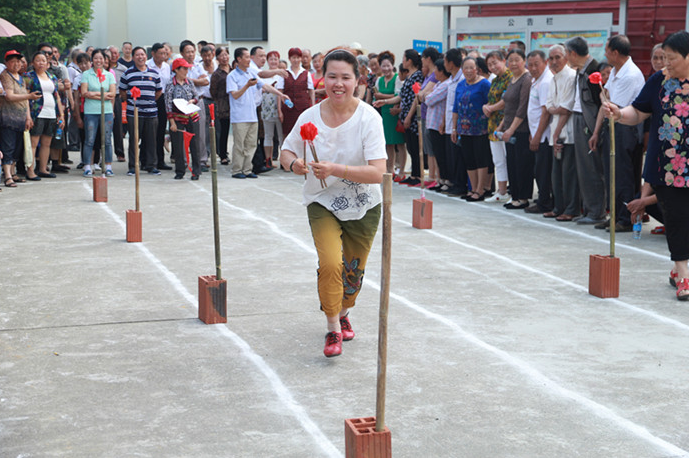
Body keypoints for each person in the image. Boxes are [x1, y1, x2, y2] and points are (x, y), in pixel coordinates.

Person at [279, 49, 386, 357]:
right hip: (322, 200)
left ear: (357, 81)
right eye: (332, 77)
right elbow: (286, 152)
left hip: (364, 204)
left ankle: (343, 311)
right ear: (321, 78)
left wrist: (335, 169)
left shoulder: (369, 118)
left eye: (345, 78)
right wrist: (294, 164)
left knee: (353, 271)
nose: (338, 84)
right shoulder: (308, 117)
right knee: (330, 263)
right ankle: (332, 329)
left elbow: (379, 173)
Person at [603, 31, 689, 300]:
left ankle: (678, 269)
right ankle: (684, 274)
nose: (667, 64)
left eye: (672, 58)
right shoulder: (659, 81)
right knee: (677, 220)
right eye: (665, 58)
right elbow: (638, 111)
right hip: (667, 168)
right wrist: (619, 113)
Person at [590, 35, 645, 232]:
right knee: (611, 172)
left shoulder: (630, 74)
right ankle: (613, 215)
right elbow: (605, 98)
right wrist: (596, 132)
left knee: (622, 173)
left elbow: (614, 104)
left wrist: (604, 97)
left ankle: (625, 217)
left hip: (625, 125)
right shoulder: (615, 71)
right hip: (612, 123)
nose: (604, 54)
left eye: (606, 50)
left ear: (615, 52)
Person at [226, 47, 287, 179]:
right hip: (239, 117)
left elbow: (264, 85)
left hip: (252, 115)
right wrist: (247, 86)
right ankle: (237, 170)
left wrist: (280, 94)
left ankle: (247, 170)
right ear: (239, 59)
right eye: (247, 57)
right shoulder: (232, 76)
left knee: (251, 144)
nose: (249, 60)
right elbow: (235, 95)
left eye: (249, 57)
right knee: (239, 145)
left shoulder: (251, 73)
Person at [565, 36, 605, 224]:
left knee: (591, 168)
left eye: (566, 54)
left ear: (573, 53)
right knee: (583, 168)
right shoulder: (580, 70)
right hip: (579, 120)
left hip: (589, 124)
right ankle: (589, 209)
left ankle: (596, 211)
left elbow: (601, 104)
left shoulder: (594, 71)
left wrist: (596, 131)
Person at [545, 44, 580, 221]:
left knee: (569, 174)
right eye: (551, 58)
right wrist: (555, 110)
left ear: (566, 58)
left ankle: (571, 208)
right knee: (556, 174)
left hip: (568, 133)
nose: (554, 61)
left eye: (557, 57)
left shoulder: (571, 77)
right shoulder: (553, 79)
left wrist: (557, 133)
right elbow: (550, 105)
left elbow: (566, 108)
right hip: (555, 132)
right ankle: (558, 207)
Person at [451, 57, 491, 201]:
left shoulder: (484, 84)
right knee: (469, 160)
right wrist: (454, 128)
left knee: (481, 159)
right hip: (464, 129)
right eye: (465, 68)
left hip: (480, 128)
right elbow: (455, 108)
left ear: (477, 69)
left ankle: (480, 189)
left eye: (471, 68)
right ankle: (473, 188)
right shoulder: (460, 85)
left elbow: (491, 103)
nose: (468, 71)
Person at [497, 49, 532, 209]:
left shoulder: (526, 79)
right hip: (509, 128)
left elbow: (522, 108)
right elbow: (509, 106)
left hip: (521, 129)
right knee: (511, 162)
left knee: (522, 164)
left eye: (516, 60)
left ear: (524, 60)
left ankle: (523, 198)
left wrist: (511, 129)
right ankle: (515, 195)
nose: (513, 63)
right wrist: (502, 126)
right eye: (510, 60)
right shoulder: (512, 78)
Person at [119, 46, 162, 175]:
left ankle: (151, 165)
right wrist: (132, 101)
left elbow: (158, 91)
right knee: (134, 140)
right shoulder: (128, 73)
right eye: (137, 55)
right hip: (134, 113)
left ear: (146, 56)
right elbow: (122, 91)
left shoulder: (154, 73)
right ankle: (133, 166)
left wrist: (149, 101)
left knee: (151, 140)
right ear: (133, 57)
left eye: (142, 54)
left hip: (151, 112)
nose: (140, 57)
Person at [0, 50, 40, 187]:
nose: (16, 64)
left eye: (18, 61)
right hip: (8, 117)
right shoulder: (5, 76)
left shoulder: (21, 77)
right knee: (8, 146)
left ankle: (13, 172)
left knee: (17, 147)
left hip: (21, 118)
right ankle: (7, 176)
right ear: (6, 63)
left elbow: (26, 101)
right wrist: (29, 97)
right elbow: (9, 96)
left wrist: (28, 117)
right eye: (13, 61)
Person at [25, 50, 65, 180]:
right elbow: (26, 97)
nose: (41, 63)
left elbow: (57, 96)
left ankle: (43, 169)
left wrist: (61, 114)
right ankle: (30, 170)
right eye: (38, 60)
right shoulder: (29, 76)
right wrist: (28, 116)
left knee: (47, 143)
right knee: (33, 143)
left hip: (51, 113)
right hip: (36, 112)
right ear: (33, 63)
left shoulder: (52, 77)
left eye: (43, 60)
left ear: (47, 63)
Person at [524, 50, 553, 214]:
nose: (533, 68)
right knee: (539, 170)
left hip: (544, 136)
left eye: (537, 64)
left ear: (545, 63)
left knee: (543, 171)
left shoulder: (546, 82)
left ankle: (544, 202)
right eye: (531, 65)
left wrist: (536, 136)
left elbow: (545, 112)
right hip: (536, 133)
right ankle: (543, 199)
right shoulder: (536, 80)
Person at [80, 49, 116, 177]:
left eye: (101, 58)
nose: (98, 61)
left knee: (106, 140)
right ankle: (87, 166)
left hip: (106, 111)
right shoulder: (86, 74)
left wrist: (93, 94)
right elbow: (84, 93)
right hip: (91, 111)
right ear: (92, 60)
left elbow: (112, 94)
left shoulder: (109, 75)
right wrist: (102, 95)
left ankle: (108, 165)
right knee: (89, 139)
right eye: (96, 58)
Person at [482, 50, 512, 202]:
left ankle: (512, 190)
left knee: (509, 159)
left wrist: (491, 108)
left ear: (503, 61)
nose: (493, 67)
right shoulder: (494, 80)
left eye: (495, 63)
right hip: (493, 124)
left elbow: (507, 100)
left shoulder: (510, 77)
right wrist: (486, 107)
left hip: (506, 123)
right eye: (489, 64)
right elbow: (492, 100)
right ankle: (501, 191)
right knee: (498, 160)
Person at [166, 57, 201, 180]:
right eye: (184, 68)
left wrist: (193, 100)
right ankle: (180, 170)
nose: (186, 71)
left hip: (191, 116)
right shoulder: (170, 84)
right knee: (178, 145)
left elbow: (196, 95)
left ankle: (196, 171)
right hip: (178, 118)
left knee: (194, 144)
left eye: (187, 68)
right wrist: (172, 123)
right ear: (176, 70)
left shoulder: (189, 82)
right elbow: (168, 104)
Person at [371, 51, 405, 175]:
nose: (386, 68)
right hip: (384, 113)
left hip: (394, 112)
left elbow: (398, 95)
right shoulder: (379, 80)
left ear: (392, 65)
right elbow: (376, 97)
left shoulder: (397, 78)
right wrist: (380, 98)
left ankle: (401, 170)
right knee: (388, 143)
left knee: (399, 143)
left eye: (388, 65)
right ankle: (389, 169)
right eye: (383, 66)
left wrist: (382, 97)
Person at [424, 58, 451, 191]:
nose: (434, 72)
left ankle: (446, 180)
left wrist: (428, 95)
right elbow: (427, 97)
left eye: (436, 69)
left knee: (441, 154)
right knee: (437, 154)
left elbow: (429, 99)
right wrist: (428, 95)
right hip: (432, 123)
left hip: (439, 124)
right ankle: (440, 180)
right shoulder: (439, 84)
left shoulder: (446, 85)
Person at [278, 47, 315, 138]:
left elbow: (311, 91)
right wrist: (279, 110)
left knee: (303, 132)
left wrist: (313, 107)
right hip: (288, 109)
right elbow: (279, 93)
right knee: (288, 133)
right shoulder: (284, 73)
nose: (296, 60)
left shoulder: (306, 73)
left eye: (298, 57)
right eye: (293, 58)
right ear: (289, 59)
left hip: (303, 108)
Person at [147, 43, 172, 170]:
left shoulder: (167, 67)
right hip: (150, 98)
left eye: (165, 53)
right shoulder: (147, 65)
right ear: (153, 53)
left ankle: (160, 161)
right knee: (149, 131)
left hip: (163, 99)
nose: (163, 56)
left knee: (161, 130)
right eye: (161, 53)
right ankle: (147, 161)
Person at [260, 50, 284, 167]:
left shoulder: (282, 75)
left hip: (280, 109)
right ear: (267, 61)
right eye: (271, 59)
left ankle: (284, 161)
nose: (273, 61)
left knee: (281, 136)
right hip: (267, 109)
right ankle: (268, 160)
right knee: (268, 135)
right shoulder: (263, 74)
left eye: (276, 59)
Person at [209, 46, 231, 165]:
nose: (224, 57)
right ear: (217, 57)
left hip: (235, 103)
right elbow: (213, 91)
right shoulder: (216, 74)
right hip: (223, 105)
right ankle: (223, 154)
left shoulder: (234, 70)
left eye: (226, 54)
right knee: (224, 131)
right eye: (222, 55)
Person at [108, 45, 128, 162]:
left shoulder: (123, 69)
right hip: (105, 97)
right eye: (111, 53)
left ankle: (120, 152)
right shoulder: (103, 69)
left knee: (118, 126)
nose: (114, 55)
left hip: (117, 98)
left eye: (115, 53)